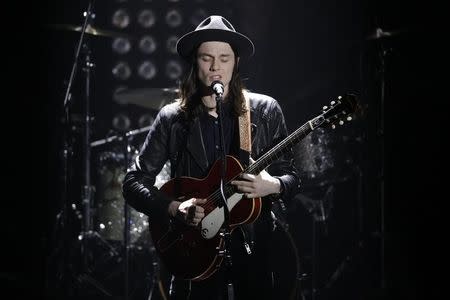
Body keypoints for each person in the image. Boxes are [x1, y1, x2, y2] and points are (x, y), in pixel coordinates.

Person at [123, 15, 300, 300]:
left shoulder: (265, 111)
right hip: (193, 254)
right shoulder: (172, 118)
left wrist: (272, 186)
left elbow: (293, 178)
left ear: (236, 62)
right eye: (207, 58)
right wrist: (174, 208)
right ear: (195, 62)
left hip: (253, 250)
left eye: (224, 58)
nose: (216, 67)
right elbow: (133, 183)